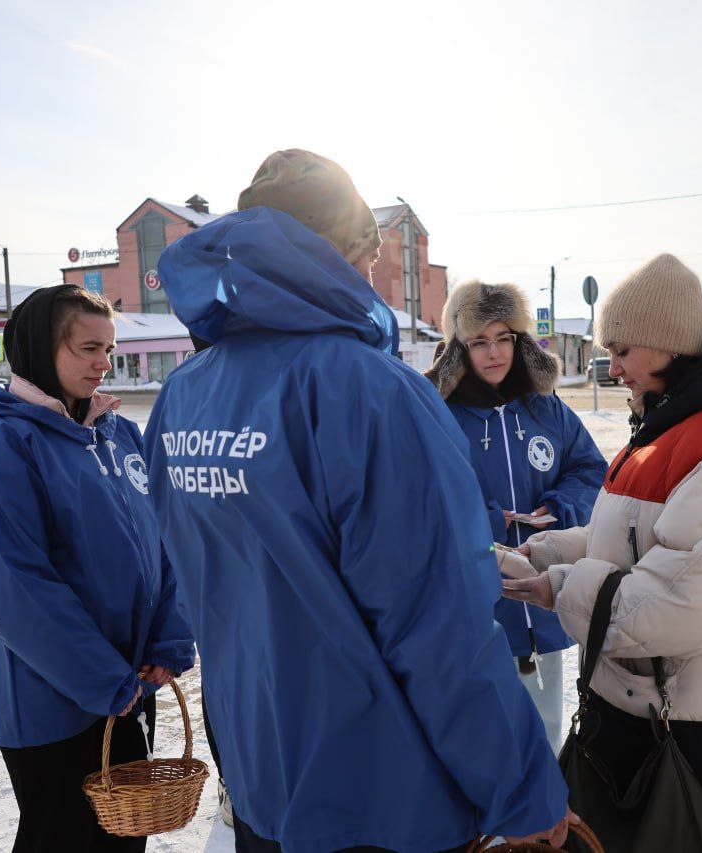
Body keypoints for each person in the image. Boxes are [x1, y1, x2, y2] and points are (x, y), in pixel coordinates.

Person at [144, 149, 570, 852]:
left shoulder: (184, 393)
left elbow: (194, 571)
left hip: (260, 775)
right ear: (339, 251)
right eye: (369, 253)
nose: (373, 273)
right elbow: (439, 625)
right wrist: (522, 789)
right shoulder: (370, 391)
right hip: (378, 796)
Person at [503, 254, 702, 851]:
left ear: (666, 343)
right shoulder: (671, 427)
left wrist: (561, 588)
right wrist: (544, 555)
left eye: (621, 350)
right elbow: (640, 541)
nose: (610, 367)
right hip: (662, 727)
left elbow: (686, 599)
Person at [0, 285, 195, 852]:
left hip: (127, 692)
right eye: (88, 348)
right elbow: (13, 590)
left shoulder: (117, 433)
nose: (105, 362)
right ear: (38, 350)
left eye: (110, 347)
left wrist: (168, 641)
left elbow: (161, 542)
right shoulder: (2, 448)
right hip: (56, 706)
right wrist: (104, 680)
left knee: (124, 841)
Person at [425, 280, 606, 751]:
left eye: (503, 338)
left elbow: (590, 469)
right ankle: (494, 827)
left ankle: (541, 823)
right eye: (480, 341)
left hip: (541, 605)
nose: (494, 353)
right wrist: (487, 522)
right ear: (459, 349)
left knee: (543, 733)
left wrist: (562, 506)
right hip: (474, 610)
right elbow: (424, 497)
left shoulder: (546, 410)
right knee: (482, 739)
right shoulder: (440, 416)